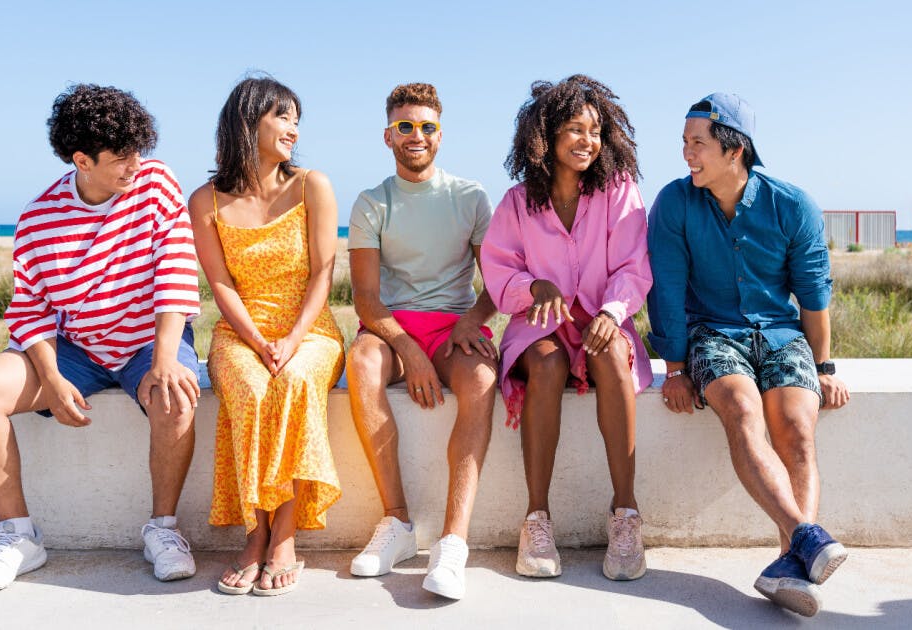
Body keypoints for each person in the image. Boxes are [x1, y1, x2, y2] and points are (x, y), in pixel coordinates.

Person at [0, 84, 202, 593]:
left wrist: (163, 360)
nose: (134, 165)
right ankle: (18, 537)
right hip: (75, 349)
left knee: (175, 395)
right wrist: (51, 376)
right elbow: (30, 310)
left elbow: (176, 272)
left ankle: (163, 531)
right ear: (81, 160)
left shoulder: (157, 184)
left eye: (139, 151)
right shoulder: (39, 216)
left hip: (146, 338)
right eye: (121, 158)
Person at [647, 92, 851, 617]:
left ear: (734, 149)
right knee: (741, 410)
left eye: (698, 144)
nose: (687, 155)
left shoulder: (793, 205)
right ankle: (809, 541)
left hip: (781, 335)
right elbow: (666, 288)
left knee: (798, 430)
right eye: (685, 144)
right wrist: (673, 367)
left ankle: (792, 563)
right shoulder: (673, 203)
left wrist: (824, 367)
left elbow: (813, 293)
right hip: (712, 334)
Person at [481, 75, 652, 581]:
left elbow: (632, 266)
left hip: (604, 318)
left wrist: (612, 313)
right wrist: (534, 288)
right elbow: (497, 268)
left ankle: (626, 515)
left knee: (611, 357)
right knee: (548, 362)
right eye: (574, 129)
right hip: (540, 326)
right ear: (546, 137)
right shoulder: (517, 202)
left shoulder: (618, 191)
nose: (587, 140)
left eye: (595, 130)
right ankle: (536, 520)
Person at [187, 76, 344, 597]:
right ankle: (254, 534)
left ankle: (285, 536)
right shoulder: (204, 200)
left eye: (297, 118)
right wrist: (256, 340)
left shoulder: (311, 185)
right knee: (252, 390)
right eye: (282, 116)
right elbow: (220, 283)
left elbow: (324, 271)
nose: (293, 129)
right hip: (240, 331)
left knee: (295, 382)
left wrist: (294, 339)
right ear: (247, 121)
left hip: (311, 330)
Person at [345, 83, 497, 600]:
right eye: (405, 126)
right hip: (392, 327)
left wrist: (470, 322)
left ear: (440, 135)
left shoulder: (471, 197)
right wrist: (408, 349)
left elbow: (495, 284)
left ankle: (453, 543)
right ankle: (397, 524)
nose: (417, 136)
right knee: (362, 363)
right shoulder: (371, 203)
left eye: (427, 127)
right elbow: (366, 300)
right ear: (388, 135)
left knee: (480, 379)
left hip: (454, 323)